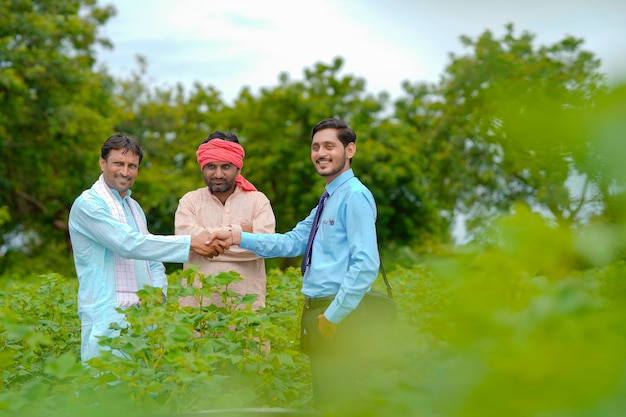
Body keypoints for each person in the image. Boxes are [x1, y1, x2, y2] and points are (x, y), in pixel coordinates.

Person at [207, 118, 380, 410]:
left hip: (339, 312)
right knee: (327, 402)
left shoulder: (354, 196)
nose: (320, 153)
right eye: (315, 147)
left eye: (329, 146)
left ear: (349, 150)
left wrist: (333, 317)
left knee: (342, 403)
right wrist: (238, 236)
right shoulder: (329, 198)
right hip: (320, 309)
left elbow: (365, 263)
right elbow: (290, 242)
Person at [68, 133, 221, 363]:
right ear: (102, 163)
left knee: (139, 391)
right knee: (102, 388)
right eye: (118, 163)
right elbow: (128, 244)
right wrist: (190, 243)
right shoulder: (88, 205)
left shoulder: (134, 207)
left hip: (143, 315)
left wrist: (158, 291)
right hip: (106, 313)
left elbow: (151, 259)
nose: (125, 172)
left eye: (132, 166)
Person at [175, 131, 275, 310]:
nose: (218, 174)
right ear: (202, 168)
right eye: (211, 166)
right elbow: (186, 241)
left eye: (226, 167)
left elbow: (265, 246)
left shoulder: (258, 201)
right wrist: (243, 232)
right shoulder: (189, 201)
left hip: (246, 310)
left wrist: (207, 241)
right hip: (196, 309)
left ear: (238, 168)